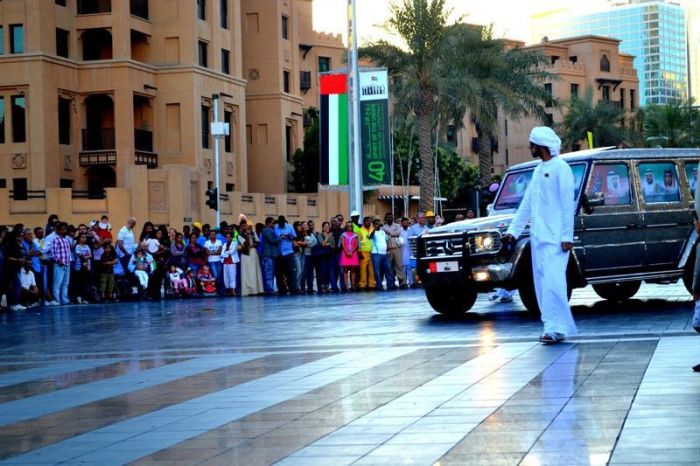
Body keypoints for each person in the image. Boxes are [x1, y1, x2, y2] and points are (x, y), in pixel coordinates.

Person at [503, 126, 577, 344]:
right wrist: (512, 232)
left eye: (532, 144)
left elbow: (567, 205)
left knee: (554, 284)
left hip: (556, 240)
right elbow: (526, 205)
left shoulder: (561, 168)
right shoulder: (538, 170)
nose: (529, 147)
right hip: (538, 239)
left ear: (541, 146)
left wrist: (567, 236)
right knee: (543, 286)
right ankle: (551, 326)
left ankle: (557, 327)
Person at [238, 222, 264, 296]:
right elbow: (245, 244)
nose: (245, 227)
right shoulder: (240, 235)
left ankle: (257, 290)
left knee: (254, 271)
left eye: (245, 225)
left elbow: (258, 242)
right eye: (243, 226)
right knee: (247, 272)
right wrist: (248, 236)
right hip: (246, 254)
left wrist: (252, 243)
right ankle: (249, 290)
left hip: (253, 252)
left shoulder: (253, 233)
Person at [51, 222, 73, 306]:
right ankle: (57, 300)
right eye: (62, 229)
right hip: (59, 264)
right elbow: (53, 252)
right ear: (58, 230)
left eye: (65, 229)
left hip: (67, 264)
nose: (64, 231)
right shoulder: (56, 239)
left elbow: (68, 252)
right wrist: (58, 260)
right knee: (57, 283)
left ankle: (64, 299)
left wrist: (68, 262)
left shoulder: (66, 239)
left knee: (65, 283)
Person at [275, 216, 297, 294]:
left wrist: (288, 236)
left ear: (284, 222)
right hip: (279, 253)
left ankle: (292, 289)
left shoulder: (289, 227)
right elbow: (273, 238)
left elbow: (294, 236)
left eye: (283, 223)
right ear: (278, 222)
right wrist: (280, 237)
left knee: (291, 272)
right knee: (279, 273)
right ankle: (282, 289)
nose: (282, 224)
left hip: (289, 252)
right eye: (280, 223)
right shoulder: (275, 227)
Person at [383, 213, 406, 289]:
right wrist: (393, 233)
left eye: (391, 217)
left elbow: (398, 233)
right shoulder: (383, 227)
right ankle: (391, 283)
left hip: (396, 248)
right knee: (390, 267)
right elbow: (385, 236)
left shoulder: (397, 225)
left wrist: (390, 233)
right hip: (388, 248)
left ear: (393, 218)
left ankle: (402, 283)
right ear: (386, 218)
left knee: (399, 265)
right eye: (388, 217)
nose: (390, 218)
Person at [370, 218, 394, 290]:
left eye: (379, 223)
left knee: (388, 269)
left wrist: (388, 250)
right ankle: (379, 285)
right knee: (377, 270)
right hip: (376, 254)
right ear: (374, 225)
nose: (378, 225)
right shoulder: (372, 232)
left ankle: (390, 285)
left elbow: (386, 241)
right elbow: (370, 237)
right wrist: (374, 229)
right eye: (376, 224)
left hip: (385, 254)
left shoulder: (382, 232)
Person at [260, 217, 280, 295]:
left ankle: (270, 288)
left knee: (270, 273)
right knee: (269, 273)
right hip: (268, 255)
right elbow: (272, 240)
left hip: (271, 255)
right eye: (272, 223)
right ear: (268, 223)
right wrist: (280, 237)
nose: (274, 224)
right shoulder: (266, 230)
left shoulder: (270, 230)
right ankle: (269, 289)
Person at [356, 217, 375, 291]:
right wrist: (359, 251)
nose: (368, 223)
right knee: (363, 269)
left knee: (371, 269)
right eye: (367, 221)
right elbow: (358, 241)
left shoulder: (372, 229)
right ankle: (362, 284)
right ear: (364, 222)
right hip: (363, 251)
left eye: (369, 221)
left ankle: (371, 284)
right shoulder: (360, 230)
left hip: (371, 251)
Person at [339, 222, 359, 291]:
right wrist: (347, 252)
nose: (349, 227)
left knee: (353, 270)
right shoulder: (343, 235)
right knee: (345, 270)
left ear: (352, 227)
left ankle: (353, 285)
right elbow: (343, 244)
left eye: (350, 226)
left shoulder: (355, 235)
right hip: (345, 253)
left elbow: (356, 245)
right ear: (346, 227)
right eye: (347, 226)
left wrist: (351, 251)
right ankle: (346, 286)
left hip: (353, 254)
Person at [221, 232, 239, 296]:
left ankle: (233, 290)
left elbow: (232, 252)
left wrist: (225, 252)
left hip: (232, 262)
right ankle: (228, 290)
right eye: (227, 237)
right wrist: (226, 253)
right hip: (225, 262)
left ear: (231, 238)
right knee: (226, 277)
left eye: (229, 237)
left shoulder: (235, 243)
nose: (228, 238)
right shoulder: (224, 244)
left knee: (232, 276)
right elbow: (221, 254)